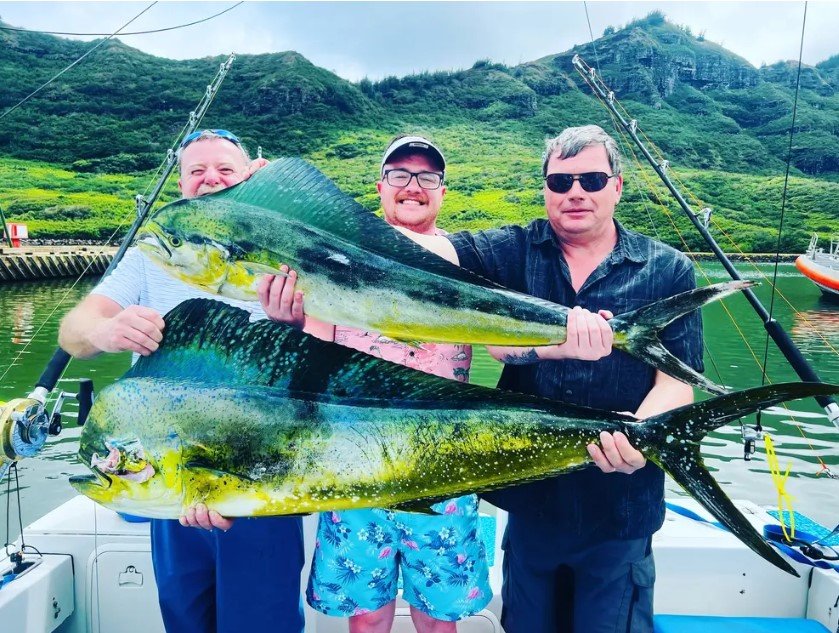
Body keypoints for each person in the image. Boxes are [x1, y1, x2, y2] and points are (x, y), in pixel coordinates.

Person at [409, 124, 702, 633]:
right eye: (560, 182)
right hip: (532, 502)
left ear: (617, 185)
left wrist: (640, 436)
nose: (575, 193)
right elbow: (427, 251)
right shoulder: (514, 250)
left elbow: (677, 382)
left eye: (591, 179)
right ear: (545, 188)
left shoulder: (668, 269)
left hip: (621, 505)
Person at [58, 130, 306, 633]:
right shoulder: (151, 255)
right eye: (197, 171)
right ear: (181, 184)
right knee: (185, 617)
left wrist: (294, 323)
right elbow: (72, 332)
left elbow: (326, 345)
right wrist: (106, 330)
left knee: (264, 623)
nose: (211, 179)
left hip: (262, 467)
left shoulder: (283, 251)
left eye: (225, 170)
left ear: (247, 179)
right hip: (163, 470)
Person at [260, 135, 493, 633]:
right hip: (354, 460)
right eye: (400, 175)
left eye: (427, 177)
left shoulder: (465, 261)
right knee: (367, 619)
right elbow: (315, 358)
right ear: (380, 188)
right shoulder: (335, 260)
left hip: (443, 464)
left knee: (438, 620)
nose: (413, 186)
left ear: (443, 191)